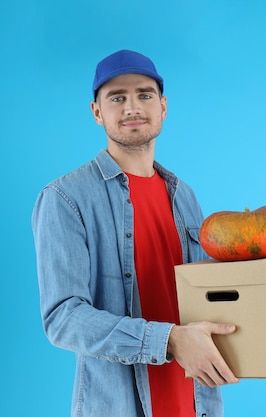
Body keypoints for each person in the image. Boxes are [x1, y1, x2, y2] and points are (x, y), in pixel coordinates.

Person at [32, 49, 239, 417]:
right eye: (117, 98)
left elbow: (207, 292)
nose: (132, 107)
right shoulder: (65, 198)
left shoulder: (183, 195)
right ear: (97, 112)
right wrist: (170, 340)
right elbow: (63, 318)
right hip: (118, 406)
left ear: (163, 107)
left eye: (144, 95)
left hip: (197, 401)